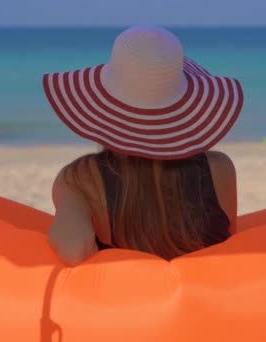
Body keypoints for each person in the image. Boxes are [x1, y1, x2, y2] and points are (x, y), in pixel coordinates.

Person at [42, 26, 244, 265]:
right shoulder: (220, 169)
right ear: (184, 108)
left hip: (125, 301)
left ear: (105, 108)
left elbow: (73, 250)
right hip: (204, 300)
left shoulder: (80, 181)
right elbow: (226, 247)